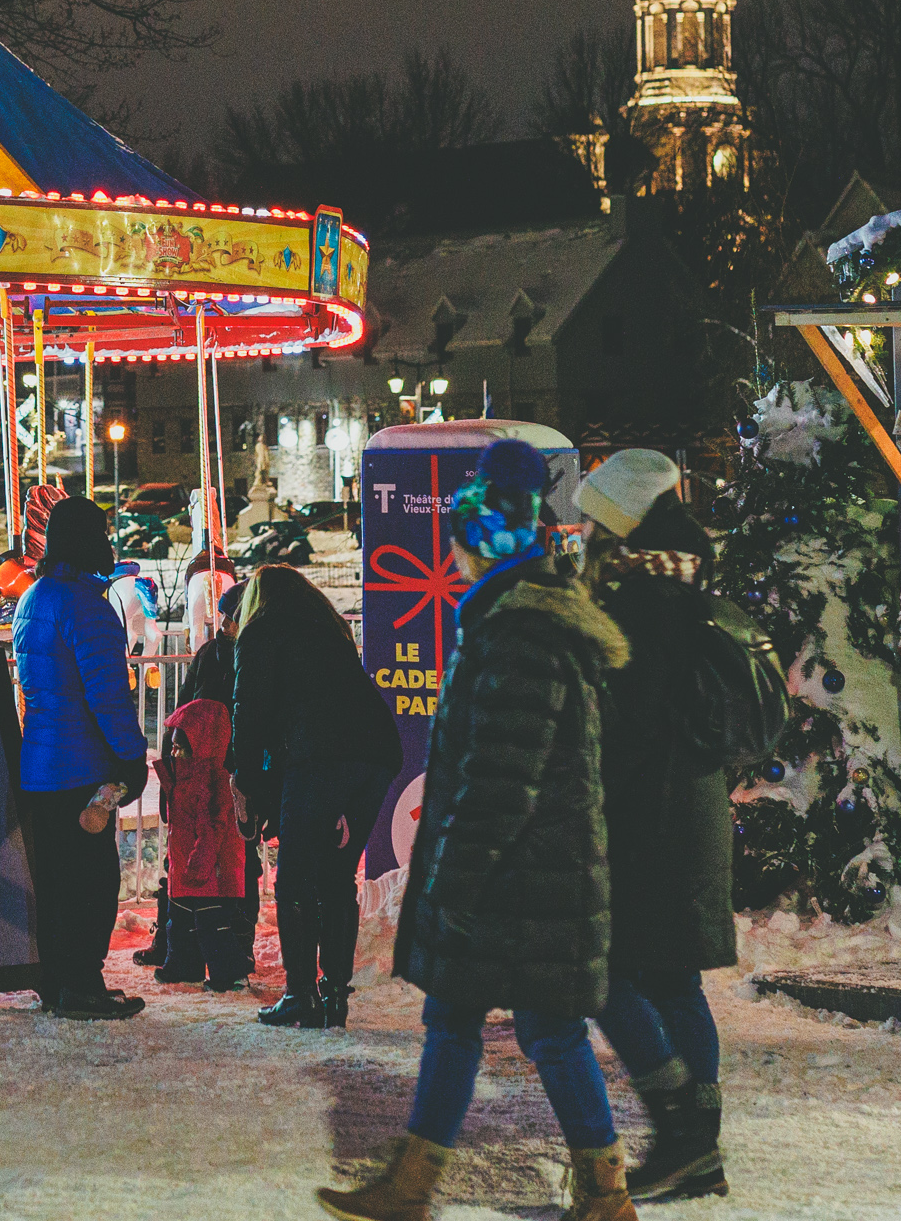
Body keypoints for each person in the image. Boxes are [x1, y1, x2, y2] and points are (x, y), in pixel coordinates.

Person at [321, 437, 634, 1221]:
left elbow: (502, 780)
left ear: (486, 542)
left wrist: (453, 881)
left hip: (527, 876)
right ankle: (426, 1182)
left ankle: (599, 1190)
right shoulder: (514, 616)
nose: (452, 559)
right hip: (532, 870)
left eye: (460, 543)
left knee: (546, 1028)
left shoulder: (519, 632)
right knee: (467, 1018)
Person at [580, 448, 738, 1204]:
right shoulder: (684, 575)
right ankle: (697, 1148)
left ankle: (679, 1131)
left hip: (654, 805)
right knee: (674, 976)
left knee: (606, 971)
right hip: (691, 798)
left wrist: (594, 798)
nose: (584, 528)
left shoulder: (646, 593)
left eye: (595, 516)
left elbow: (633, 717)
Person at [230, 562, 401, 1028]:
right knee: (336, 875)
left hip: (320, 756)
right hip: (375, 756)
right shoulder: (331, 634)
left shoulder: (260, 633)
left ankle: (301, 993)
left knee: (296, 880)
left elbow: (250, 714)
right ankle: (334, 996)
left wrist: (244, 780)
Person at [8, 494, 150, 1020]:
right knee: (91, 885)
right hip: (83, 767)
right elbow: (107, 695)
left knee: (55, 885)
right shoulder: (87, 605)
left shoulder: (33, 597)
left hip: (41, 766)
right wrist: (131, 756)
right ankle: (83, 983)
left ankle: (57, 982)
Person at [153, 693, 254, 991]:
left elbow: (213, 828)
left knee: (213, 925)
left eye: (180, 748)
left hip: (211, 872)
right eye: (172, 747)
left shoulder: (213, 782)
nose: (173, 754)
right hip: (187, 869)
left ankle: (230, 973)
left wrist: (200, 861)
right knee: (180, 918)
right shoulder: (184, 779)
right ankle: (183, 965)